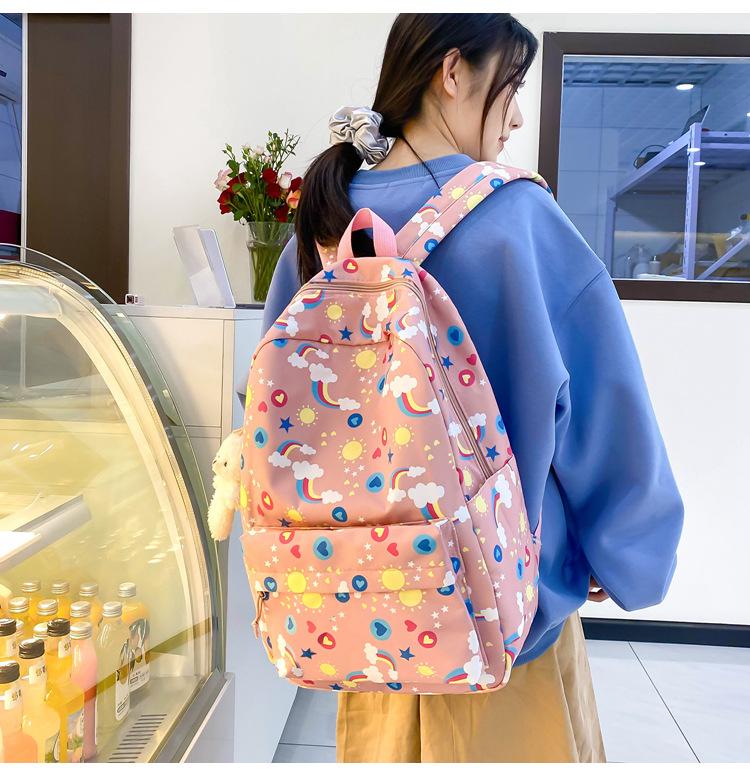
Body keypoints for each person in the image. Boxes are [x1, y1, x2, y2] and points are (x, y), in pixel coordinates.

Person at [257, 13, 684, 764]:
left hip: (363, 615)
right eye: (510, 88)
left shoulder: (326, 221)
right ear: (453, 73)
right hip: (502, 618)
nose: (515, 117)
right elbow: (604, 410)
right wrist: (625, 551)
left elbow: (274, 409)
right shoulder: (518, 216)